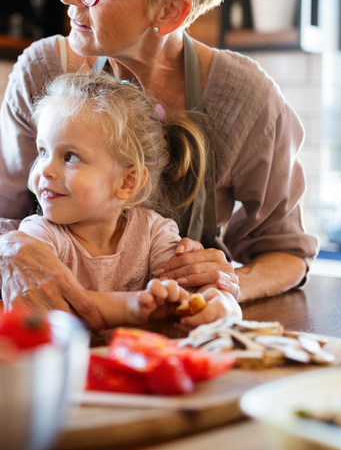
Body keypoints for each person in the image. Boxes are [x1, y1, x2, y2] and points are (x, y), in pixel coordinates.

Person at [0, 0, 319, 329]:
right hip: (57, 343)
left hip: (181, 346)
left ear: (170, 12)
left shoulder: (244, 96)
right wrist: (8, 252)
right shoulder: (44, 70)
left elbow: (286, 250)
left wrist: (233, 280)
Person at [21, 72, 241, 330]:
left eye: (70, 156)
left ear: (128, 182)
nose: (45, 170)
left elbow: (187, 288)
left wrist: (221, 303)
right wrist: (132, 307)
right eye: (43, 151)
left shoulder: (153, 232)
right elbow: (50, 304)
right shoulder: (37, 237)